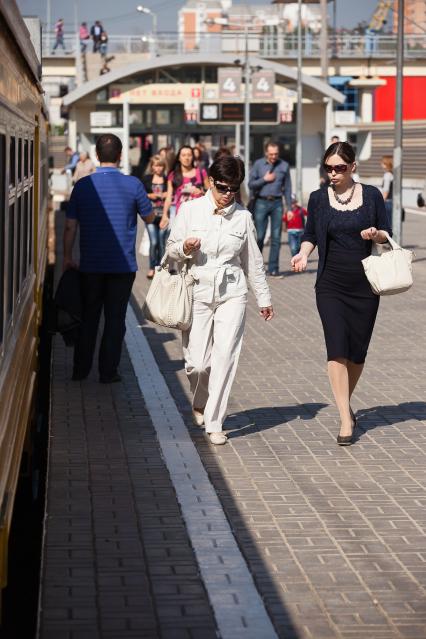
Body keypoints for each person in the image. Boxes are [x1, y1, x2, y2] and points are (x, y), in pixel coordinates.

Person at [166, 155, 274, 445]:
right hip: (197, 288)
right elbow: (170, 250)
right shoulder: (189, 210)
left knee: (226, 356)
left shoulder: (244, 217)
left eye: (233, 189)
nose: (228, 195)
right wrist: (185, 247)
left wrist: (263, 297)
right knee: (198, 363)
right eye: (223, 187)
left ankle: (215, 421)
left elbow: (253, 262)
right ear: (210, 182)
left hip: (232, 292)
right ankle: (200, 399)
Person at [291, 141, 391, 446]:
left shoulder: (372, 196)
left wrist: (376, 235)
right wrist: (303, 253)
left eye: (340, 168)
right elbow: (310, 234)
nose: (333, 173)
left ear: (353, 168)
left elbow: (387, 235)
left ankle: (343, 401)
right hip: (330, 284)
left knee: (357, 353)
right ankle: (346, 418)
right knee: (336, 348)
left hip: (365, 285)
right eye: (329, 168)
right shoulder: (319, 199)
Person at [63, 133, 154, 383]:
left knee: (89, 317)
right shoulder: (133, 185)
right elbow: (148, 217)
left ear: (96, 156)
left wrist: (67, 257)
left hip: (90, 266)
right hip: (122, 267)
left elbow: (70, 226)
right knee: (115, 320)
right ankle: (108, 372)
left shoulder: (82, 185)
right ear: (121, 155)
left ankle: (80, 371)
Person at [248, 141, 292, 277]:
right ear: (266, 152)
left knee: (276, 237)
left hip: (277, 203)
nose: (274, 156)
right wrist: (264, 179)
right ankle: (257, 268)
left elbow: (288, 188)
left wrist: (289, 208)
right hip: (261, 202)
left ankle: (273, 268)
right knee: (260, 236)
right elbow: (251, 184)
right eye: (271, 154)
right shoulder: (258, 164)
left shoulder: (284, 166)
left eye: (276, 154)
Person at [161, 146, 209, 229]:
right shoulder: (173, 175)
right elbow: (168, 198)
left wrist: (202, 192)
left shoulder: (201, 172)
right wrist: (164, 215)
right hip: (181, 216)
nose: (186, 158)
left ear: (193, 157)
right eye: (183, 155)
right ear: (179, 158)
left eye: (189, 155)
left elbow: (211, 192)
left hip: (199, 215)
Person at [142, 155, 168, 279]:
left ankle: (161, 267)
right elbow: (141, 194)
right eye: (156, 165)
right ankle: (152, 267)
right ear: (152, 166)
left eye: (160, 165)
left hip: (164, 215)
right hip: (151, 215)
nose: (158, 168)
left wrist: (166, 194)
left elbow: (173, 193)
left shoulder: (167, 179)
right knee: (154, 242)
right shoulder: (147, 179)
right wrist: (149, 195)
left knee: (162, 242)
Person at [380, 155, 393, 229]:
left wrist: (381, 202)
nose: (381, 165)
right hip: (391, 202)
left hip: (387, 202)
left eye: (383, 163)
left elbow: (386, 190)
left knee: (387, 225)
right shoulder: (392, 174)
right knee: (390, 224)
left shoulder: (387, 175)